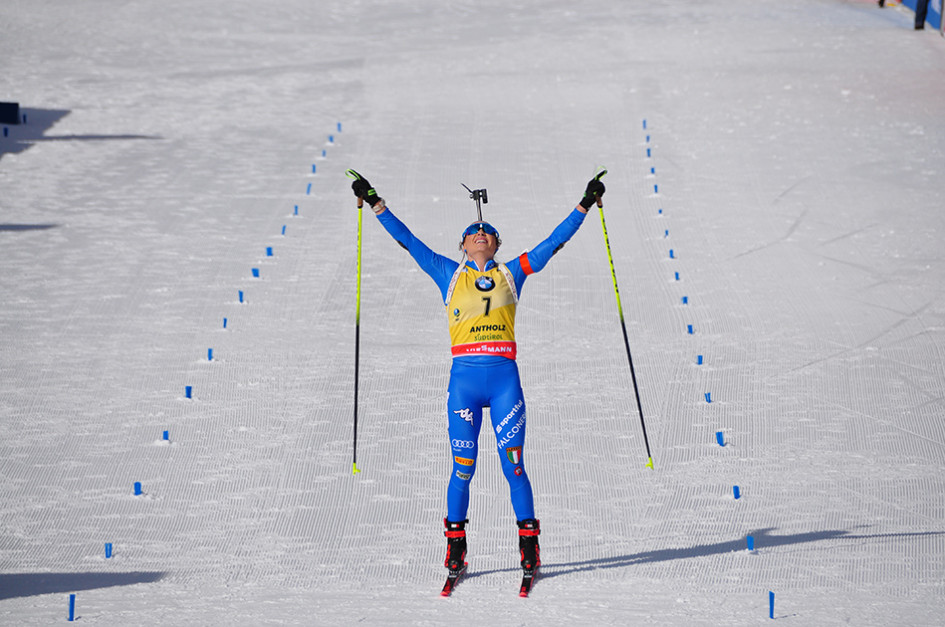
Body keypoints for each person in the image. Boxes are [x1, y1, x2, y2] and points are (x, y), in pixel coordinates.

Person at [348, 170, 605, 581]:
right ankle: (455, 548)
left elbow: (554, 242)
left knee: (514, 466)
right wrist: (376, 202)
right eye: (472, 232)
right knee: (463, 468)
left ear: (497, 244)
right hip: (464, 383)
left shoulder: (512, 273)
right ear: (464, 246)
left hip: (504, 381)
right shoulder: (447, 273)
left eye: (487, 232)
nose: (480, 233)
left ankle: (528, 544)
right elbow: (408, 241)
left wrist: (585, 204)